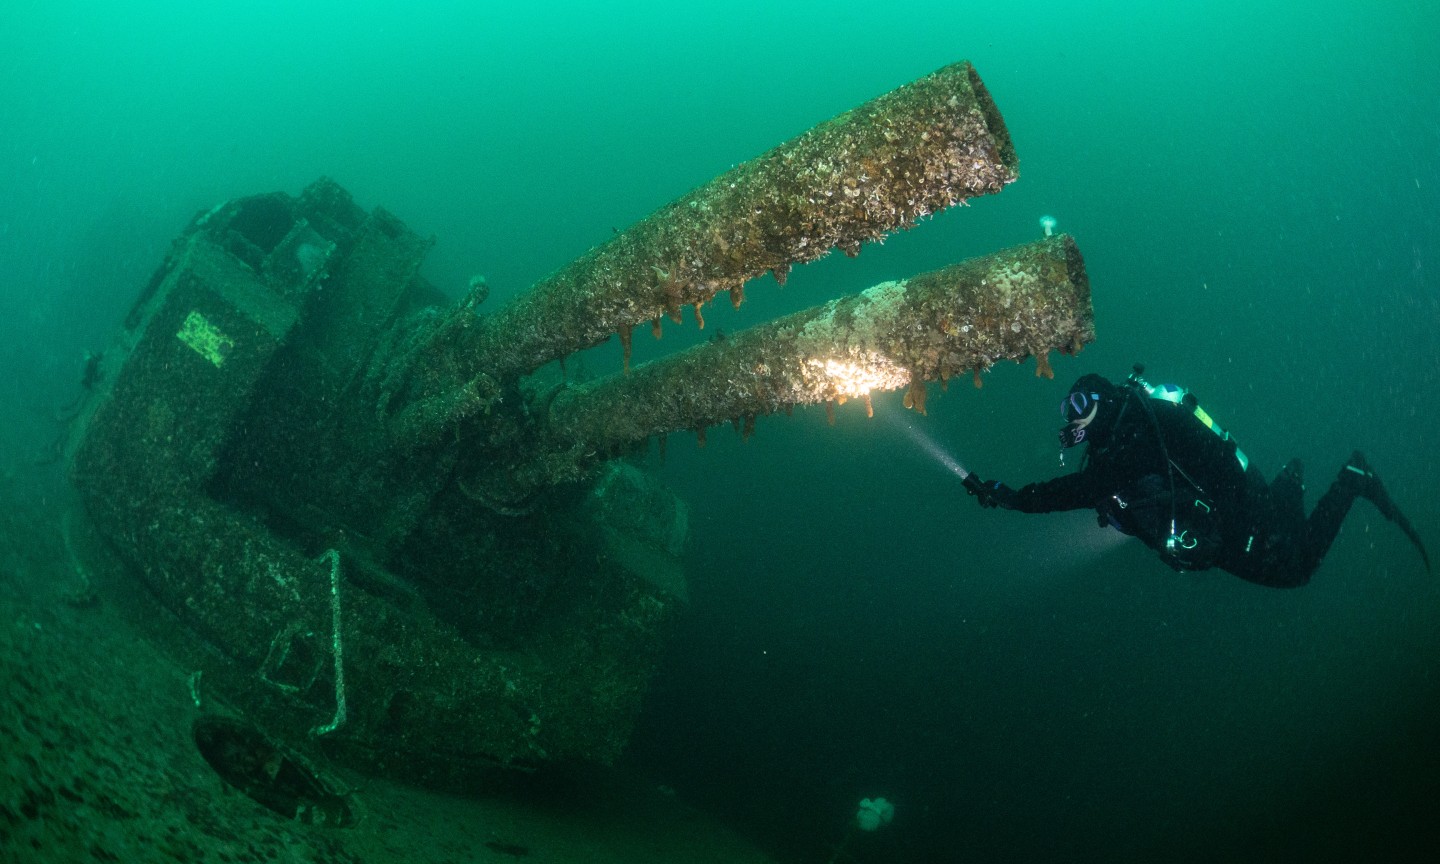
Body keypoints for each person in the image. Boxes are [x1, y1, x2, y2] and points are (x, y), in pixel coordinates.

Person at [964, 365, 1430, 587]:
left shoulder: (1135, 436)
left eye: (1080, 406)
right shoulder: (1126, 440)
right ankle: (1292, 480)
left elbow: (1083, 490)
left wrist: (1014, 498)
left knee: (1297, 570)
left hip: (1232, 514)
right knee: (1286, 535)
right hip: (1234, 503)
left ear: (1103, 403)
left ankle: (1351, 477)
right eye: (1068, 412)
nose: (1073, 419)